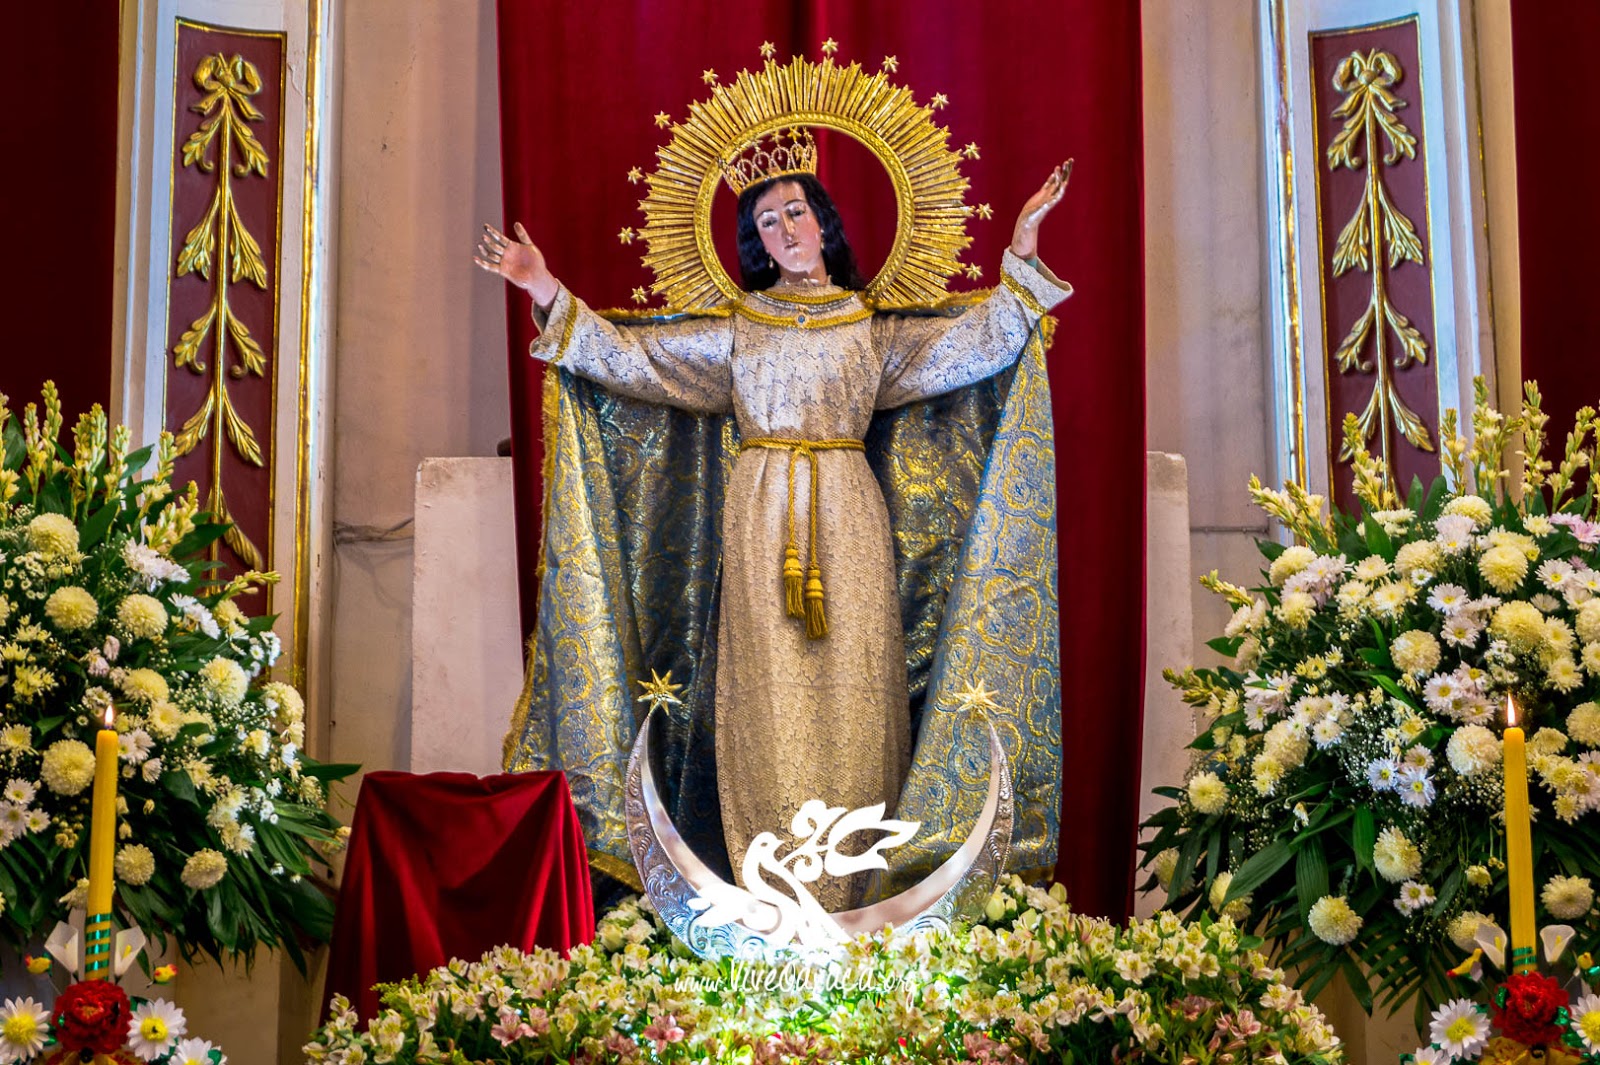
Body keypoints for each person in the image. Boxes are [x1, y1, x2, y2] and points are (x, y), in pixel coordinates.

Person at [478, 151, 1071, 908]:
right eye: (766, 220)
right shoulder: (739, 333)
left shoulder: (870, 331)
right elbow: (636, 360)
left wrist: (1020, 253)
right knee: (766, 704)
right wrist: (545, 288)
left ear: (822, 222)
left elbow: (970, 349)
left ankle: (857, 902)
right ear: (755, 242)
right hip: (761, 528)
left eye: (795, 211)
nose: (784, 229)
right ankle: (777, 901)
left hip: (850, 526)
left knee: (859, 699)